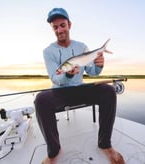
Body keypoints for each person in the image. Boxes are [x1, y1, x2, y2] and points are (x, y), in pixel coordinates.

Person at [34, 8, 125, 164]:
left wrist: (99, 65)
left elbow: (92, 72)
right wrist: (68, 74)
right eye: (55, 27)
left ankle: (105, 145)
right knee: (41, 99)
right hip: (60, 93)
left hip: (80, 89)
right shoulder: (48, 51)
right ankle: (54, 151)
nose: (59, 30)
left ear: (69, 24)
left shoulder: (82, 46)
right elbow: (55, 78)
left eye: (62, 25)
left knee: (108, 91)